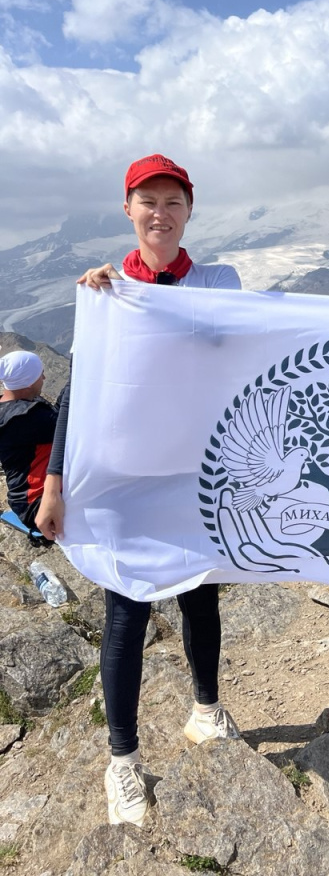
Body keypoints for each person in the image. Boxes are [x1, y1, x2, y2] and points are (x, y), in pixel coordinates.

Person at [35, 153, 242, 827]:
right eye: (147, 200)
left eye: (173, 201)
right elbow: (74, 399)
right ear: (129, 209)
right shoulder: (102, 292)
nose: (161, 212)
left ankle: (207, 709)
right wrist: (56, 487)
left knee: (199, 597)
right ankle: (121, 761)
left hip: (192, 478)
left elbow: (241, 348)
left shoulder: (216, 282)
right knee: (125, 616)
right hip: (122, 485)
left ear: (189, 210)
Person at [0, 350, 60, 548]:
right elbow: (68, 425)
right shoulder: (26, 419)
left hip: (25, 500)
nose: (44, 377)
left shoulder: (9, 408)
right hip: (38, 504)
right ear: (28, 382)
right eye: (39, 374)